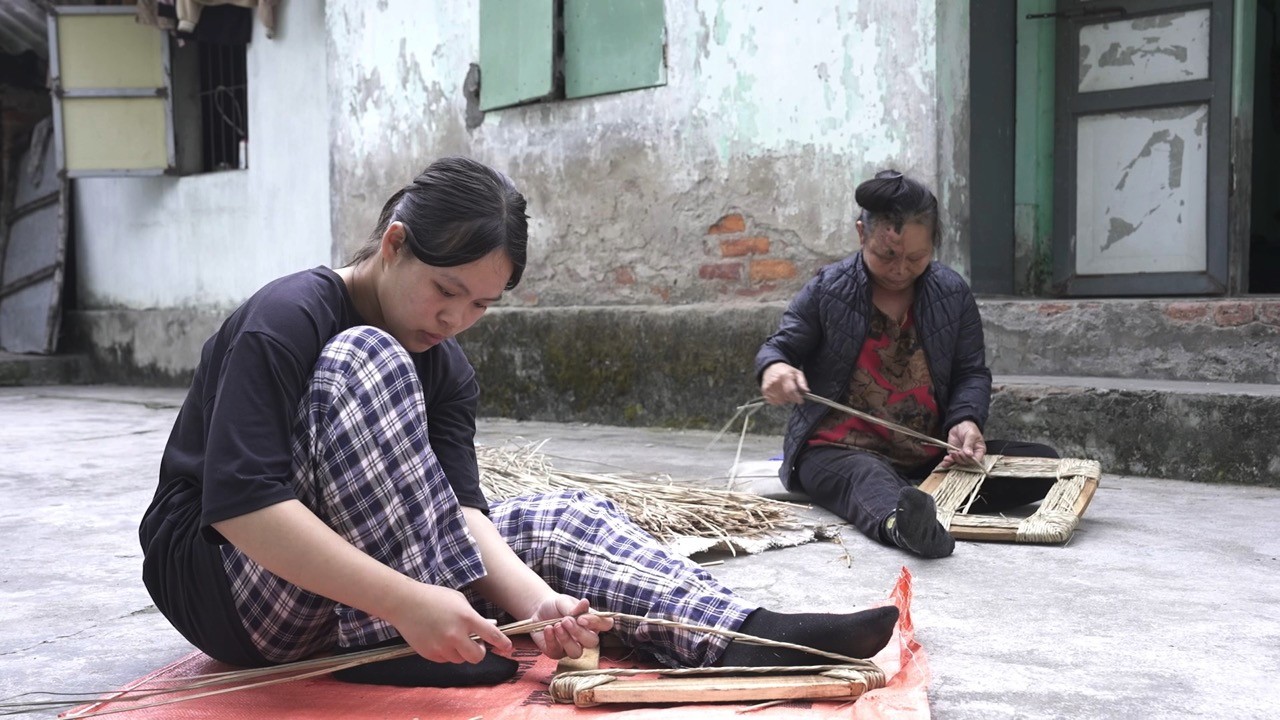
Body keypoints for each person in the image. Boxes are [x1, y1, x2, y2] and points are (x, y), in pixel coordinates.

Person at [140, 156, 899, 689]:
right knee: (364, 360)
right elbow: (241, 509)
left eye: (480, 305)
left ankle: (743, 636)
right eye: (445, 290)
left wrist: (537, 604)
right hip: (234, 595)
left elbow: (462, 514)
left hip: (361, 586)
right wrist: (409, 603)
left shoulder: (446, 363)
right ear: (395, 244)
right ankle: (391, 640)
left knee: (561, 518)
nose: (456, 318)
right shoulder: (289, 317)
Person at [756, 170, 1058, 560]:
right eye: (887, 255)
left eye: (916, 257)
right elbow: (779, 347)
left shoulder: (951, 293)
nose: (900, 269)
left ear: (934, 243)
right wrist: (775, 369)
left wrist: (965, 421)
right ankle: (904, 525)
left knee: (1042, 464)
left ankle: (919, 499)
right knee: (866, 477)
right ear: (861, 233)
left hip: (927, 456)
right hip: (837, 450)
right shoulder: (828, 289)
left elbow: (970, 372)